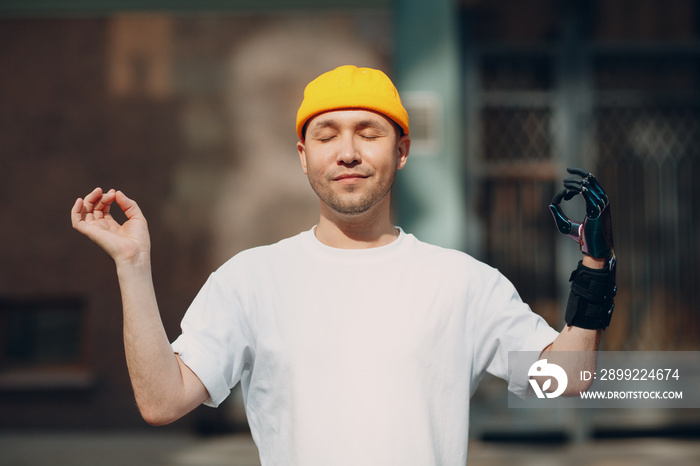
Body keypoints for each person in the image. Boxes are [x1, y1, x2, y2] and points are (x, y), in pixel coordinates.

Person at [71, 65, 616, 465]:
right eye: (326, 135)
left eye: (368, 132)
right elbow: (162, 401)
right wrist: (133, 265)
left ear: (401, 150)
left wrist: (595, 266)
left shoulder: (462, 282)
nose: (347, 152)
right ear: (303, 154)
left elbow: (566, 379)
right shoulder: (249, 281)